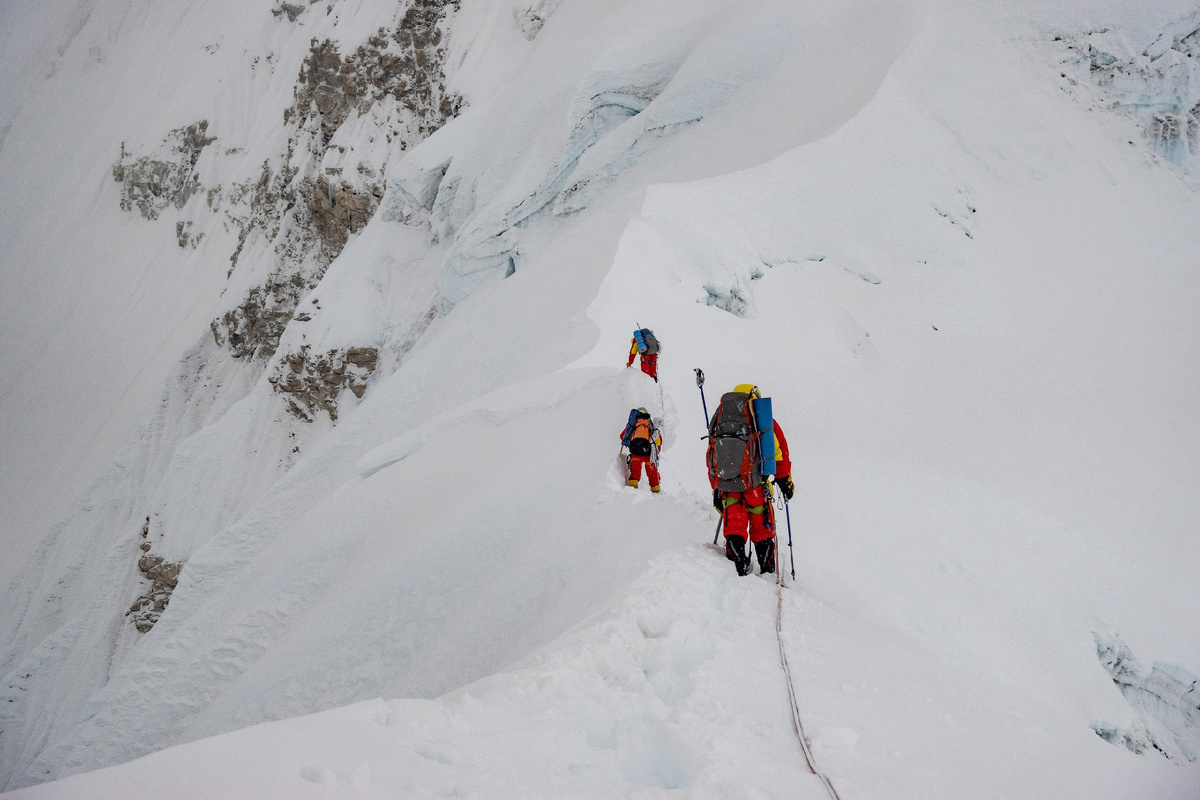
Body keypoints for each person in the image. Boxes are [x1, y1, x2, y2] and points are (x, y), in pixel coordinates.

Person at [707, 384, 794, 576]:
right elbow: (780, 452)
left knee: (735, 526)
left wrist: (716, 488)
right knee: (761, 526)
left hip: (728, 486)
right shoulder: (762, 420)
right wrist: (784, 480)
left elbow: (712, 457)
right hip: (756, 486)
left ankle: (737, 561)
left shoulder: (720, 420)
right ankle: (766, 567)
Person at [619, 407, 662, 493]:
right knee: (652, 473)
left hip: (635, 452)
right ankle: (655, 489)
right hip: (647, 453)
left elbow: (622, 436)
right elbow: (658, 441)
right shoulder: (650, 424)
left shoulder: (633, 423)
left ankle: (633, 489)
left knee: (635, 471)